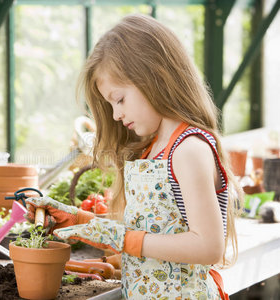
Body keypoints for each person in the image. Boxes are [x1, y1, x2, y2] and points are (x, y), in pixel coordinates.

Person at [25, 14, 240, 300]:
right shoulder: (153, 148)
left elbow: (208, 246)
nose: (115, 114)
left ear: (155, 76)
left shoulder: (188, 149)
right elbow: (150, 231)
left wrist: (125, 239)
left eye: (120, 99)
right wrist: (78, 220)